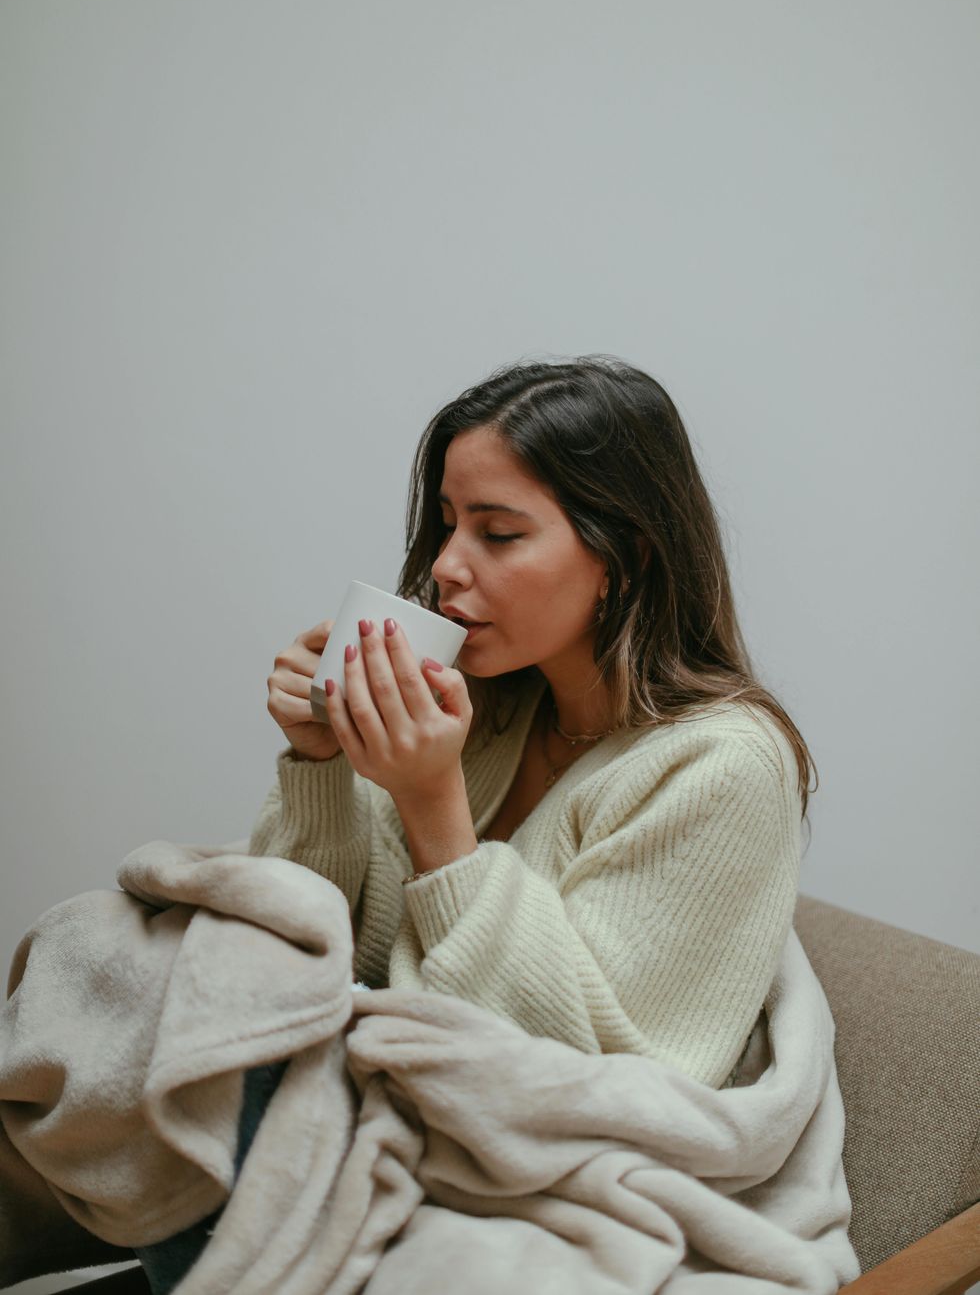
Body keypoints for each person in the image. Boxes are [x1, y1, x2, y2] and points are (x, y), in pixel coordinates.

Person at [138, 354, 816, 1290]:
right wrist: (323, 768)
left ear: (627, 556)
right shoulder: (487, 705)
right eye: (450, 525)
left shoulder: (725, 763)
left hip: (547, 1169)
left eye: (498, 534)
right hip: (377, 1105)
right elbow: (308, 956)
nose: (447, 569)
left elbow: (585, 1077)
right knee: (140, 968)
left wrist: (433, 808)